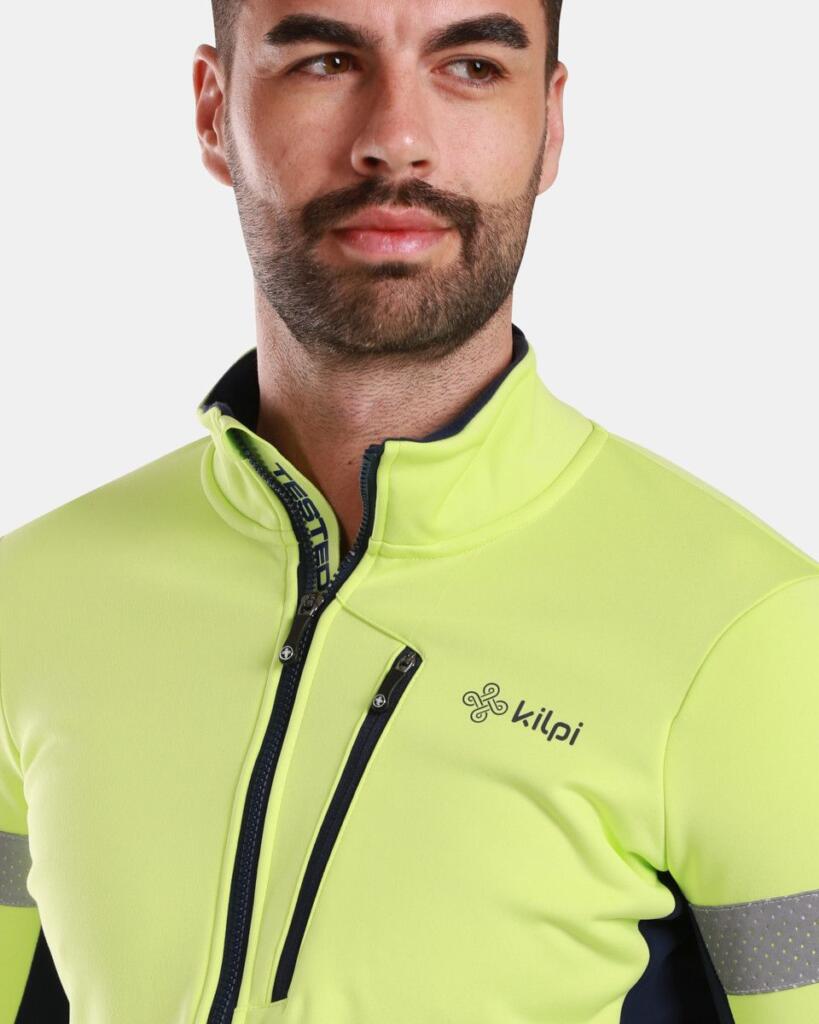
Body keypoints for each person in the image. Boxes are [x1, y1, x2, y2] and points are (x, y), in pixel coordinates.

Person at [1, 0, 817, 1021]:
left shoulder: (751, 634)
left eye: (471, 66)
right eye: (325, 60)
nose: (395, 138)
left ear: (550, 125)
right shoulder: (30, 599)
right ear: (214, 111)